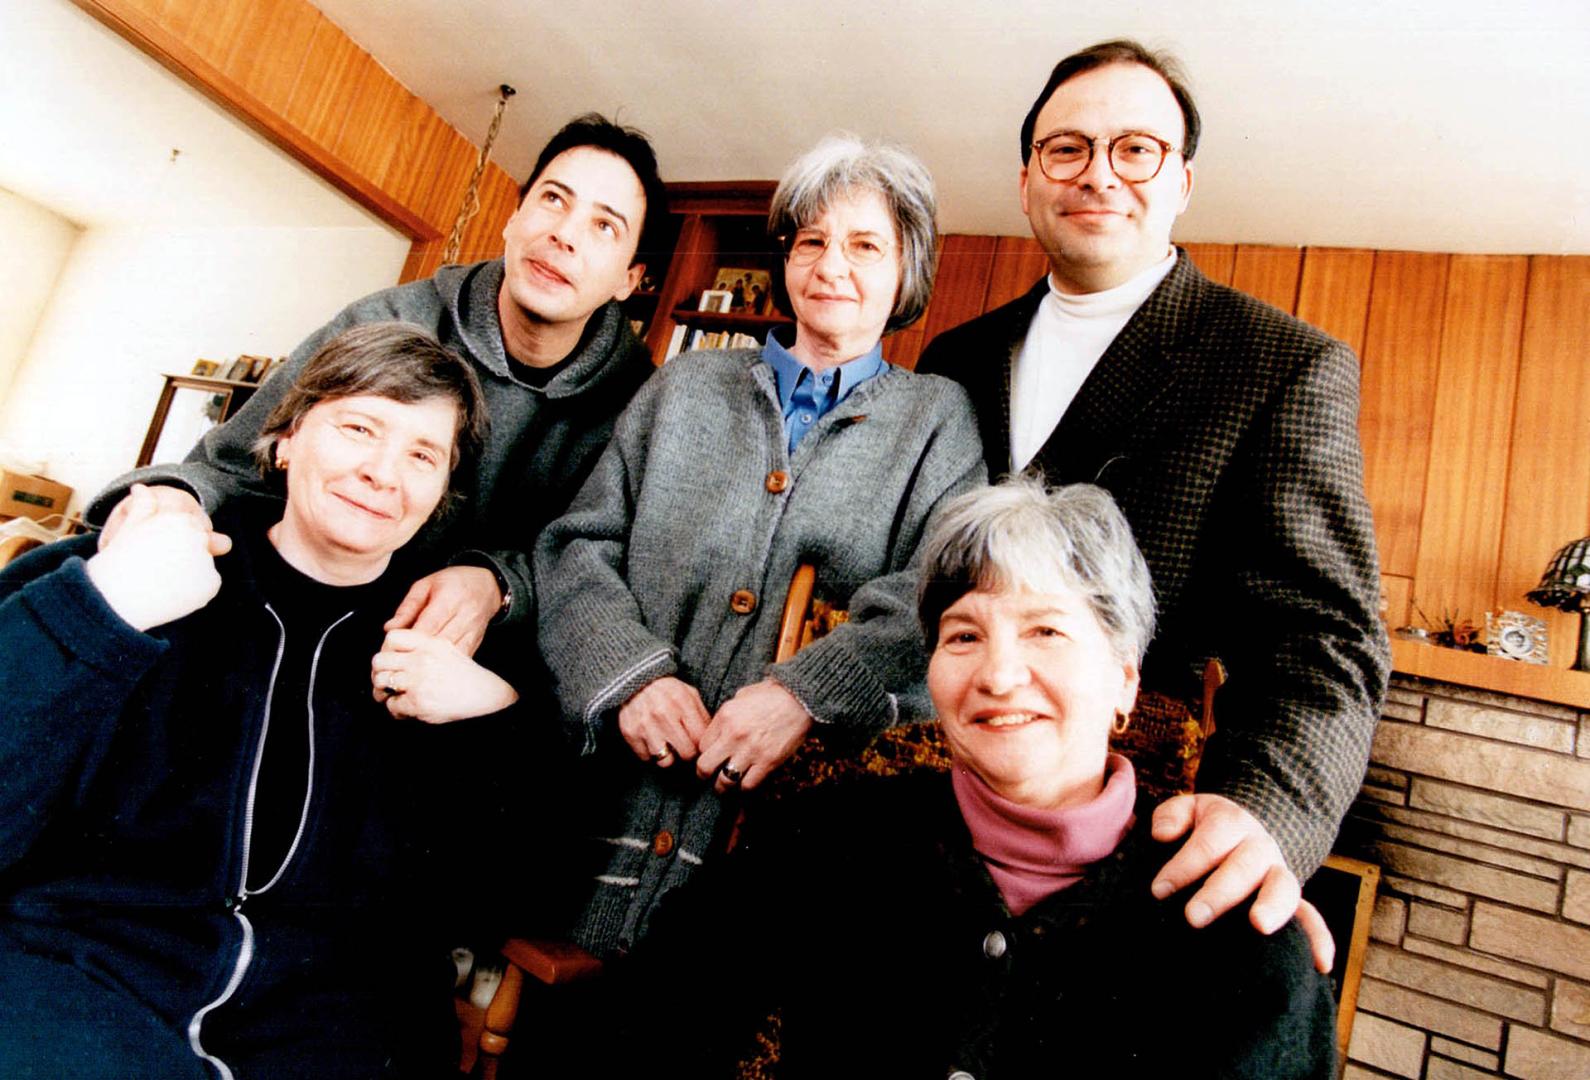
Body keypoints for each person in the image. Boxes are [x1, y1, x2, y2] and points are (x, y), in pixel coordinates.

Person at [619, 477, 1337, 1078]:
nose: (997, 674)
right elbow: (646, 1027)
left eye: (1046, 631)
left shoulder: (1235, 926)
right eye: (964, 635)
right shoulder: (825, 834)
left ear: (1124, 680)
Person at [916, 40, 1389, 942]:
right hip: (925, 813)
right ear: (1027, 182)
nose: (1099, 173)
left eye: (1136, 149)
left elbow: (1324, 637)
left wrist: (1265, 814)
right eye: (1068, 149)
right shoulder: (954, 360)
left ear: (1182, 183)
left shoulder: (1282, 365)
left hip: (1126, 853)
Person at [0, 324, 514, 1079]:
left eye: (421, 455)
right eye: (359, 427)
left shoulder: (457, 653)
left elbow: (494, 899)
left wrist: (492, 717)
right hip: (78, 988)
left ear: (442, 494)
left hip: (330, 1035)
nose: (382, 472)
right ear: (285, 437)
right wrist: (101, 613)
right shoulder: (125, 569)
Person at [534, 134, 985, 958]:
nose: (830, 265)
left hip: (762, 869)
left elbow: (940, 594)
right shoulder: (684, 385)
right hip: (585, 828)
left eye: (864, 245)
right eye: (810, 240)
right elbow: (576, 545)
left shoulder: (936, 419)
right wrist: (628, 677)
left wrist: (805, 693)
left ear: (906, 273)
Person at [87, 112, 667, 657]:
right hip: (303, 612)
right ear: (513, 220)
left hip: (460, 662)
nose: (564, 234)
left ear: (630, 279)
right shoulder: (385, 319)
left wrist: (499, 583)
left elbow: (592, 569)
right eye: (552, 199)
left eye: (603, 226)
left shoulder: (642, 404)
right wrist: (174, 499)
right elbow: (231, 465)